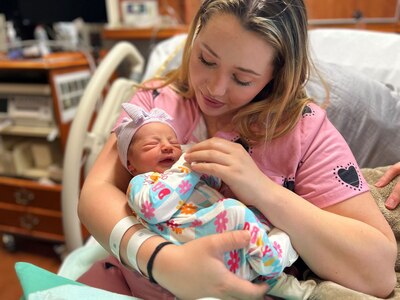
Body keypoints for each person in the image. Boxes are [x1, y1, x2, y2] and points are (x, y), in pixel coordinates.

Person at [77, 0, 397, 299]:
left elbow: (378, 271)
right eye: (206, 59)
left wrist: (261, 190)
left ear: (277, 73)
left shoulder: (303, 130)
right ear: (196, 33)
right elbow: (96, 192)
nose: (214, 89)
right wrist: (161, 260)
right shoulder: (156, 104)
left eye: (242, 79)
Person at [115, 103, 303, 298]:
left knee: (270, 224)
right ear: (131, 165)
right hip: (202, 250)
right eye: (151, 145)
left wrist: (203, 164)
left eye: (174, 142)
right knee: (234, 211)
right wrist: (186, 166)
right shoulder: (141, 182)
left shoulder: (188, 176)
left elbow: (215, 183)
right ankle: (270, 263)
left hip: (237, 247)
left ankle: (272, 260)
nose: (167, 146)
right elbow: (152, 209)